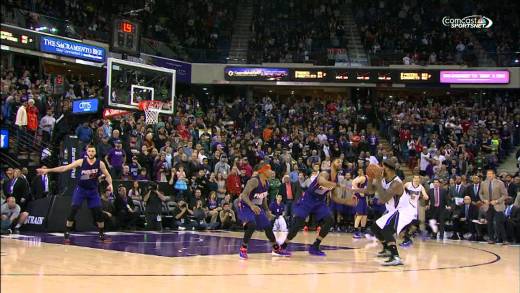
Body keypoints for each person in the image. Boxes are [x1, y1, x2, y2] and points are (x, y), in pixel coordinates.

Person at [36, 144, 113, 243]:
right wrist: (48, 170)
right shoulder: (81, 161)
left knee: (98, 212)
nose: (91, 153)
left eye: (93, 151)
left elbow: (108, 175)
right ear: (86, 152)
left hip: (93, 191)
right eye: (89, 151)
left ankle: (101, 234)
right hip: (81, 189)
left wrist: (110, 184)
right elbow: (65, 168)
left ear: (95, 152)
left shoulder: (100, 163)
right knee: (74, 209)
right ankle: (67, 232)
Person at [280, 158, 357, 256]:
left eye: (341, 162)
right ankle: (283, 246)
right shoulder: (325, 173)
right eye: (338, 161)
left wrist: (347, 202)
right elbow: (321, 182)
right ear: (332, 163)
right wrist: (337, 185)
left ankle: (315, 246)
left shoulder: (336, 178)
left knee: (329, 220)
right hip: (308, 199)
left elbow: (334, 197)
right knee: (298, 224)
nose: (340, 163)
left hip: (319, 202)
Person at [236, 163, 290, 259]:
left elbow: (263, 198)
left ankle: (276, 248)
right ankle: (243, 248)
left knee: (268, 226)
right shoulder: (254, 181)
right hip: (245, 205)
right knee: (252, 224)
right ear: (263, 171)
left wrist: (267, 211)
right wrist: (252, 205)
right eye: (269, 170)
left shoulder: (267, 183)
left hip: (257, 206)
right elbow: (243, 195)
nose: (271, 172)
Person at [367, 159, 405, 266]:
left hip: (402, 211)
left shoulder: (396, 183)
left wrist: (378, 180)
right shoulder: (384, 180)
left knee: (386, 229)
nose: (380, 169)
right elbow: (369, 191)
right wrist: (370, 178)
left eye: (382, 167)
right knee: (375, 227)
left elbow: (383, 199)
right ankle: (387, 249)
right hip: (391, 211)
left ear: (388, 169)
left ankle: (396, 257)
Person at [479, 169, 508, 244]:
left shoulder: (500, 183)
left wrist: (497, 201)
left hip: (498, 205)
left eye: (490, 174)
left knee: (499, 222)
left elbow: (505, 195)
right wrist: (484, 200)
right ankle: (491, 239)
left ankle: (504, 239)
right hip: (488, 205)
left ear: (494, 175)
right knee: (489, 223)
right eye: (488, 174)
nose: (489, 175)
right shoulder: (483, 183)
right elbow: (480, 194)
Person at [399, 175, 429, 247]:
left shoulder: (421, 187)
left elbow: (426, 196)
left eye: (417, 178)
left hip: (414, 207)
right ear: (413, 179)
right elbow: (400, 192)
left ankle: (412, 235)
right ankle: (416, 234)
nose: (416, 179)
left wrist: (425, 196)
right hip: (406, 206)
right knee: (406, 223)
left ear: (419, 180)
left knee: (413, 223)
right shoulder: (408, 184)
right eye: (415, 178)